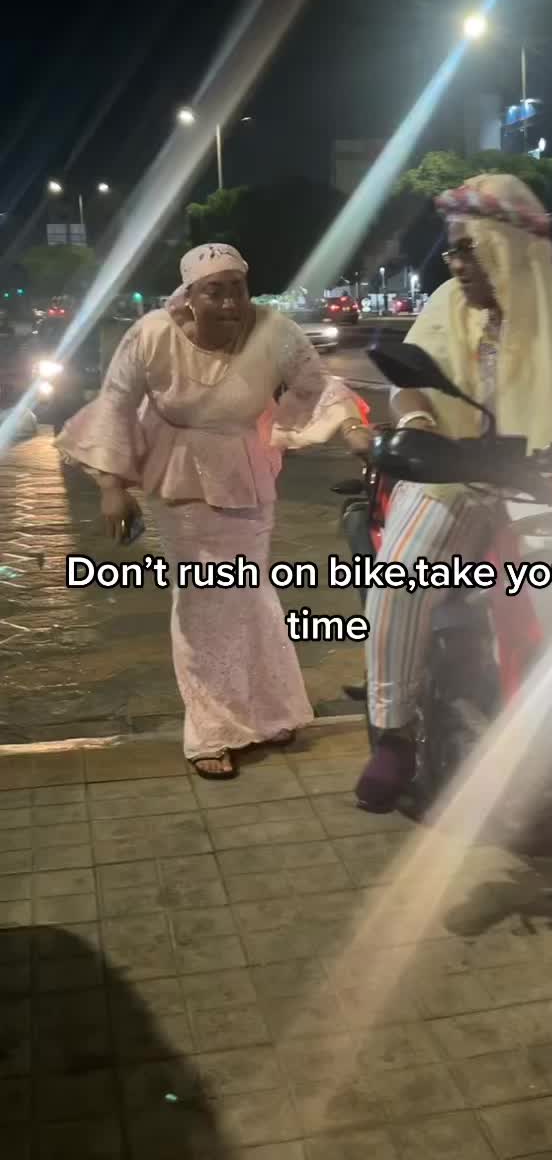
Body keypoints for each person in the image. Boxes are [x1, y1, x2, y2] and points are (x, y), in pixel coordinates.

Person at [356, 173, 552, 813]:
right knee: (401, 577)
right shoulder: (447, 303)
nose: (454, 262)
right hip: (454, 473)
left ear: (508, 244)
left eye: (466, 248)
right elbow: (407, 383)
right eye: (452, 249)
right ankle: (394, 733)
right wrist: (418, 423)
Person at [56, 243, 325, 780]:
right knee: (201, 603)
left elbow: (314, 383)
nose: (228, 303)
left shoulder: (274, 329)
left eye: (237, 290)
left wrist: (288, 429)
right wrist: (112, 486)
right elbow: (115, 404)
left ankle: (271, 712)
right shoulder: (152, 334)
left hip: (247, 476)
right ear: (190, 295)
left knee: (251, 596)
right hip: (178, 479)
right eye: (213, 292)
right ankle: (212, 730)